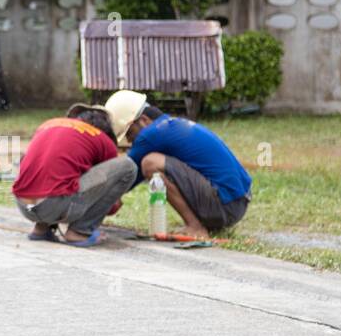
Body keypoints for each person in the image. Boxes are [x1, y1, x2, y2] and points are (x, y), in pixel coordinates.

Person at [105, 90, 252, 239]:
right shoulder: (170, 126)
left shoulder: (151, 134)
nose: (130, 142)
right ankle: (200, 223)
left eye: (129, 134)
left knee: (150, 163)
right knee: (151, 162)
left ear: (143, 120)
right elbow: (132, 177)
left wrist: (99, 199)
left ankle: (196, 228)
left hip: (225, 206)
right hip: (237, 203)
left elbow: (126, 171)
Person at [11, 105, 137, 247]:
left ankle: (41, 228)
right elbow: (112, 206)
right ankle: (80, 231)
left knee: (56, 173)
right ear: (106, 130)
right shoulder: (101, 139)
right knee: (128, 166)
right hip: (54, 206)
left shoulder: (48, 125)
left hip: (23, 205)